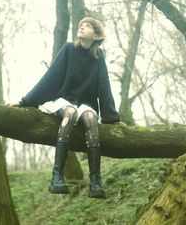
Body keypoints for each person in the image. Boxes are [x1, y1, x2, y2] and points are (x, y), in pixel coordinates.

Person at [17, 16, 120, 198]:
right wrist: (26, 101)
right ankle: (57, 177)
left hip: (85, 104)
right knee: (70, 113)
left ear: (96, 36)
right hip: (63, 101)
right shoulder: (68, 49)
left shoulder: (98, 57)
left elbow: (104, 86)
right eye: (81, 25)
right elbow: (51, 77)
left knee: (90, 119)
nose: (82, 28)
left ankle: (95, 182)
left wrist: (112, 118)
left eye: (87, 26)